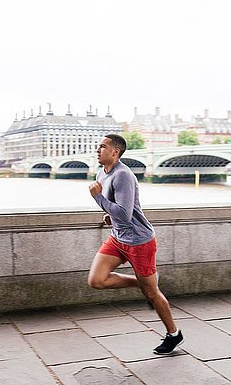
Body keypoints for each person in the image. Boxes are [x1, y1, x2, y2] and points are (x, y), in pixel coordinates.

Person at [87, 134, 183, 355]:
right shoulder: (102, 173)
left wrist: (98, 199)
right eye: (98, 146)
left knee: (152, 294)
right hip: (118, 238)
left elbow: (125, 212)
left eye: (103, 146)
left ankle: (174, 334)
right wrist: (110, 217)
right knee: (96, 280)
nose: (98, 150)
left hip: (140, 241)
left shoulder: (123, 175)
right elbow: (119, 211)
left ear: (115, 151)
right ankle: (142, 283)